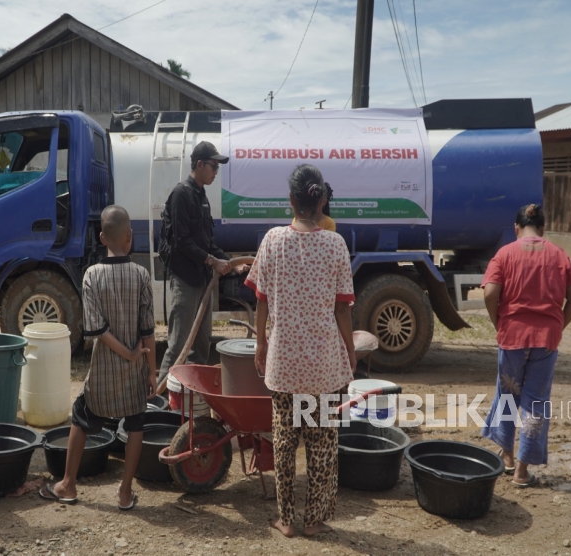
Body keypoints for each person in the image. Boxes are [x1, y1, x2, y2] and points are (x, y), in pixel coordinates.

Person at [246, 164, 356, 537]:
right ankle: (313, 521)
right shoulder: (336, 244)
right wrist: (350, 352)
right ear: (321, 200)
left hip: (284, 362)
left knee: (284, 441)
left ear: (291, 200)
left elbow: (261, 300)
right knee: (322, 444)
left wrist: (261, 343)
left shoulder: (272, 240)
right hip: (323, 365)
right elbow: (343, 308)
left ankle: (286, 520)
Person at [40, 205, 156, 510]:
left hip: (102, 372)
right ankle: (125, 492)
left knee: (80, 419)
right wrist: (150, 369)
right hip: (134, 372)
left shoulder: (91, 275)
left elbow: (96, 329)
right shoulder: (142, 275)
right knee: (136, 424)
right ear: (130, 236)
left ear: (102, 238)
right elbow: (148, 330)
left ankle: (68, 485)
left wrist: (126, 353)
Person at [481, 204, 571, 488]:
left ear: (517, 228)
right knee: (536, 402)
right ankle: (521, 472)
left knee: (507, 396)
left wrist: (499, 322)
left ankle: (507, 456)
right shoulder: (559, 255)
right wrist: (558, 325)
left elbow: (490, 294)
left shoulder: (505, 253)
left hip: (512, 336)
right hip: (545, 339)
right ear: (542, 228)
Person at [158, 141, 240, 383]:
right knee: (178, 346)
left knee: (202, 345)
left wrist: (232, 263)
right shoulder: (181, 194)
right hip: (185, 280)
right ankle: (161, 397)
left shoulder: (201, 197)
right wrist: (213, 262)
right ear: (200, 164)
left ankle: (192, 393)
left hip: (202, 281)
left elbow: (207, 243)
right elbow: (181, 241)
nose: (216, 172)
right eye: (214, 166)